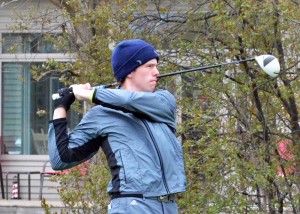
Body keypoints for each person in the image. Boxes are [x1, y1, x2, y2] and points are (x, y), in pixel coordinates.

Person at [48, 39, 186, 214]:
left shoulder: (163, 101)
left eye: (156, 66)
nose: (156, 72)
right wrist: (61, 107)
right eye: (149, 66)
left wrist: (87, 93)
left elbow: (128, 100)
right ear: (130, 72)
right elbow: (61, 159)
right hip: (131, 206)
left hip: (169, 206)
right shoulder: (101, 115)